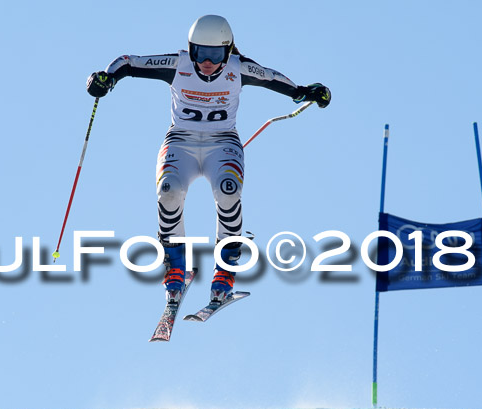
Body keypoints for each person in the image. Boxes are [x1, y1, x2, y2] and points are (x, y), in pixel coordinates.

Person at [86, 15, 330, 305]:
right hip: (181, 142)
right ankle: (175, 265)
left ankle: (225, 271)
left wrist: (303, 92)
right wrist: (106, 78)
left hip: (222, 143)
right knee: (169, 190)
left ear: (227, 51)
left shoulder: (239, 69)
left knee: (229, 190)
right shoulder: (178, 65)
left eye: (215, 54)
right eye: (200, 52)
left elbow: (272, 77)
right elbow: (128, 61)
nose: (207, 62)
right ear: (191, 48)